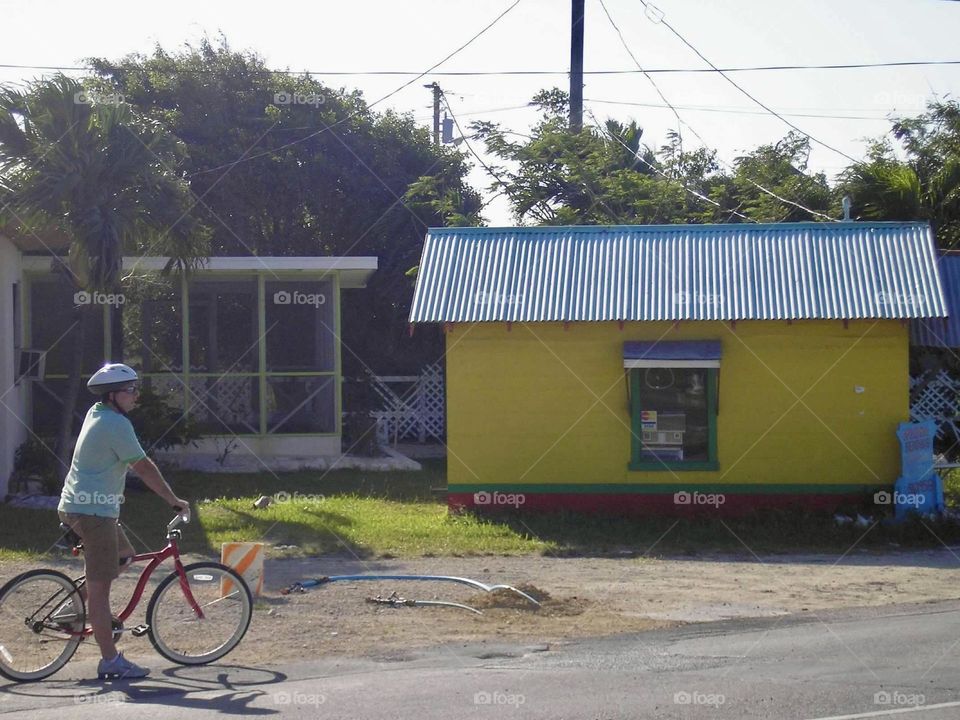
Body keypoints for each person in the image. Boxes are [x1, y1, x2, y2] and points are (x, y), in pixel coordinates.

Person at [57, 363, 188, 680]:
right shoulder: (116, 424)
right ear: (112, 394)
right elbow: (143, 468)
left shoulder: (97, 412)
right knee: (101, 591)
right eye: (130, 390)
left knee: (124, 556)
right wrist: (173, 500)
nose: (136, 395)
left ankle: (68, 612)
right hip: (93, 513)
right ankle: (110, 661)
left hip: (78, 506)